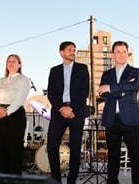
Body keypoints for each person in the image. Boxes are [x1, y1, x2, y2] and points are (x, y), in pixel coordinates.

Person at [98, 41, 139, 184]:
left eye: (124, 51)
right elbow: (102, 93)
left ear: (127, 53)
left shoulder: (135, 71)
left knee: (135, 155)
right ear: (113, 55)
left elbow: (133, 86)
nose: (121, 54)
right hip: (111, 119)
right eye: (118, 51)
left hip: (130, 119)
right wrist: (123, 90)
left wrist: (111, 88)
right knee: (113, 155)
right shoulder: (106, 74)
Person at [47, 41, 90, 184]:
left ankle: (71, 181)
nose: (73, 52)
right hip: (59, 111)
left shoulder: (82, 68)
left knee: (76, 147)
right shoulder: (54, 70)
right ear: (61, 53)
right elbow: (51, 93)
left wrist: (72, 109)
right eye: (70, 49)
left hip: (76, 111)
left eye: (74, 49)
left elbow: (85, 91)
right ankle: (56, 180)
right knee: (51, 146)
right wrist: (62, 108)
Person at [0, 54, 31, 175]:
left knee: (14, 150)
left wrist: (5, 112)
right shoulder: (1, 80)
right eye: (9, 61)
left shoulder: (23, 79)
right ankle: (2, 178)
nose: (11, 63)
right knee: (1, 150)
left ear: (19, 65)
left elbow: (19, 100)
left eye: (14, 61)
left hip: (15, 115)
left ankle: (15, 179)